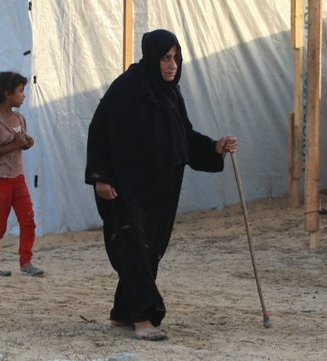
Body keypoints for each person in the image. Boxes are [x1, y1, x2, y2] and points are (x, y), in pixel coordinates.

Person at [85, 28, 237, 341]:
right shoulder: (126, 89)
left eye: (176, 58)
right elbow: (100, 130)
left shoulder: (171, 94)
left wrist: (215, 147)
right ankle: (144, 318)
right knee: (132, 244)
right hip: (125, 185)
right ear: (151, 57)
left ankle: (123, 312)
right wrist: (101, 177)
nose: (172, 65)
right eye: (166, 58)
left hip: (162, 187)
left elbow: (184, 135)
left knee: (150, 248)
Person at [0, 69, 44, 277]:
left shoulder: (19, 118)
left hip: (18, 178)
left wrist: (26, 143)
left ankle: (26, 262)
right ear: (7, 94)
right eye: (20, 91)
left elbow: (20, 142)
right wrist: (15, 144)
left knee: (28, 220)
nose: (23, 95)